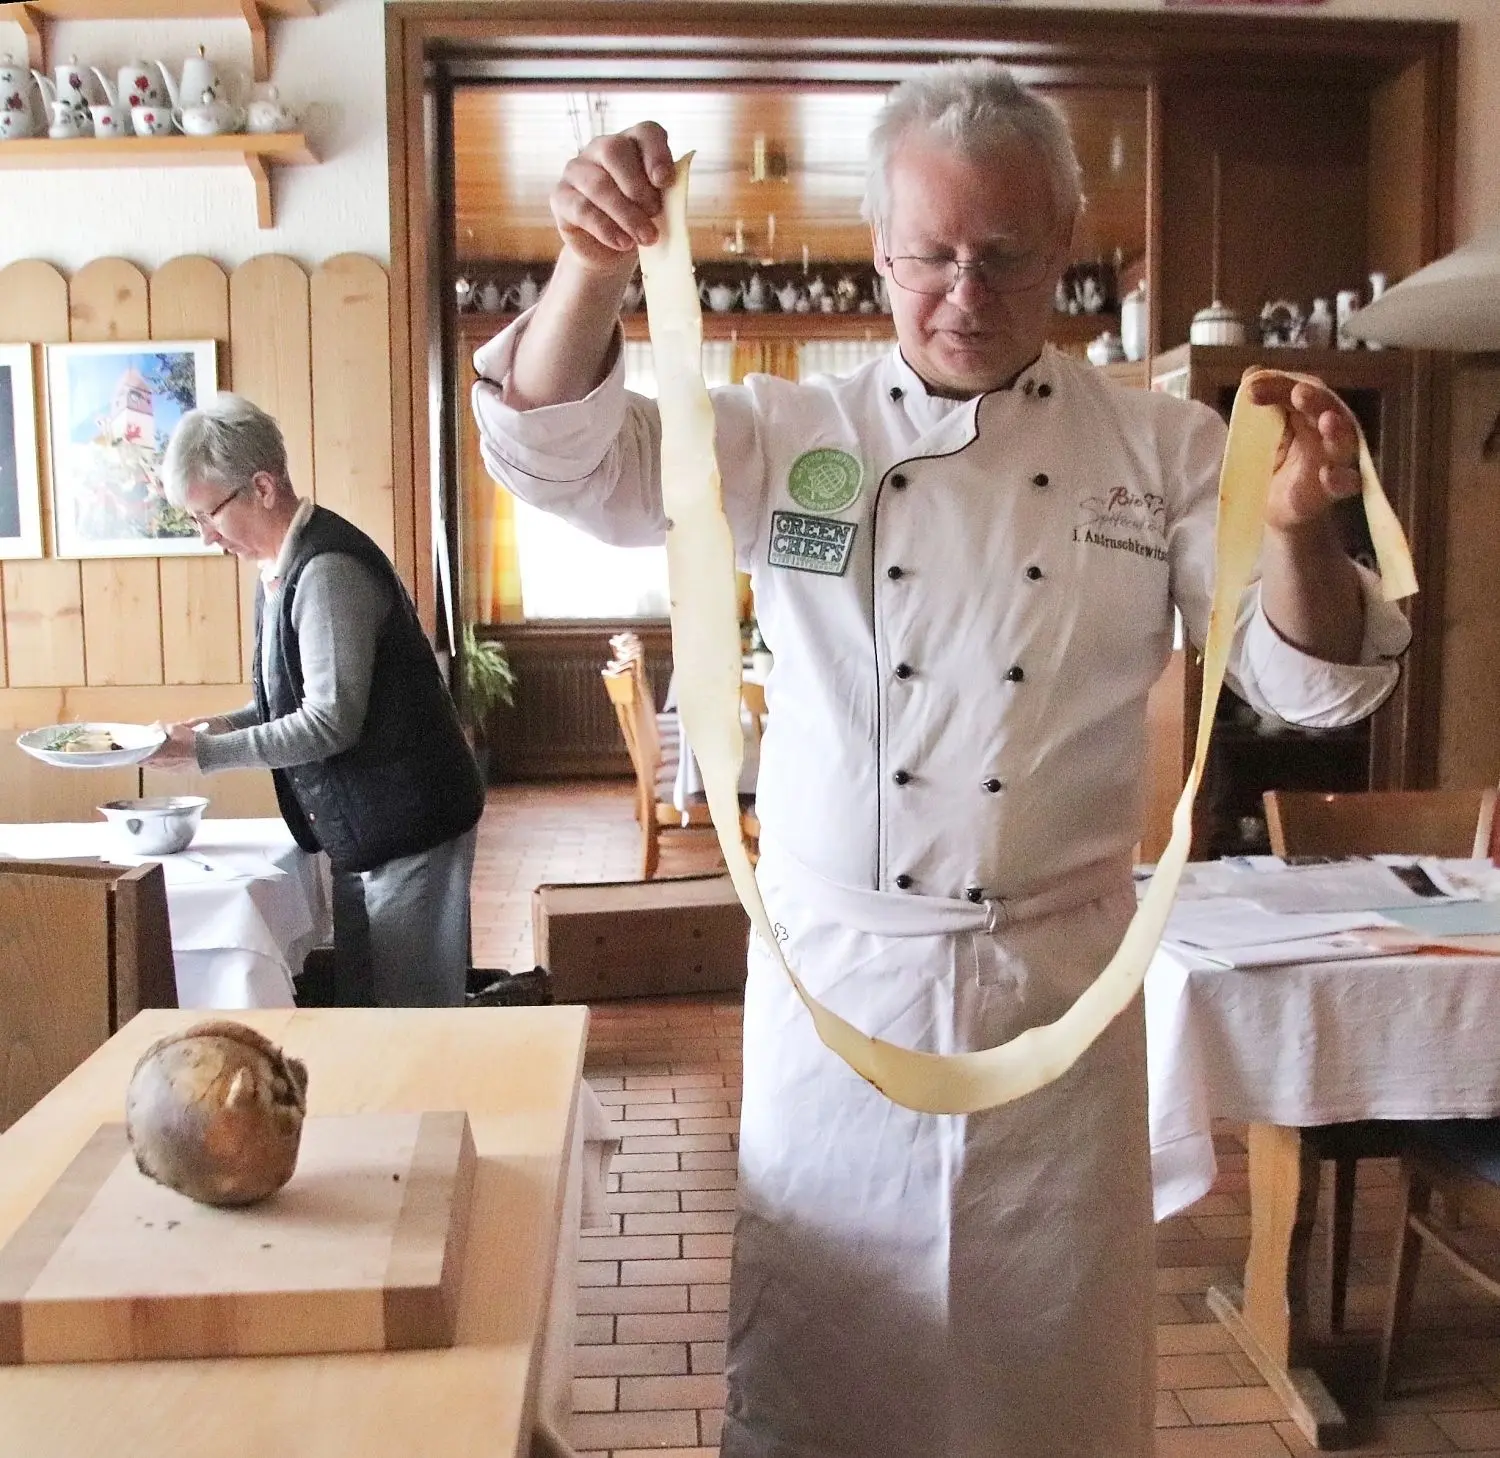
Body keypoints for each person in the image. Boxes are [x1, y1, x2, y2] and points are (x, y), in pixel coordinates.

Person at [471, 61, 1410, 1458]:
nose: (965, 294)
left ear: (1066, 247)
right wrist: (592, 270)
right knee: (826, 1366)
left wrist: (1293, 533)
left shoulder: (1160, 448)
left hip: (1057, 998)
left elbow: (1308, 681)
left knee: (1049, 1383)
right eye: (931, 256)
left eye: (1006, 256)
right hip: (841, 992)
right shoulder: (793, 436)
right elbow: (569, 465)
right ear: (880, 247)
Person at [150, 393, 485, 1008]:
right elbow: (288, 703)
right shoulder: (278, 568)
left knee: (413, 1020)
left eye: (208, 515)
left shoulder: (327, 571)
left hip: (410, 824)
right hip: (368, 829)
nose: (205, 537)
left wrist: (205, 753)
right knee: (363, 1007)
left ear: (262, 487)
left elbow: (329, 722)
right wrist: (215, 727)